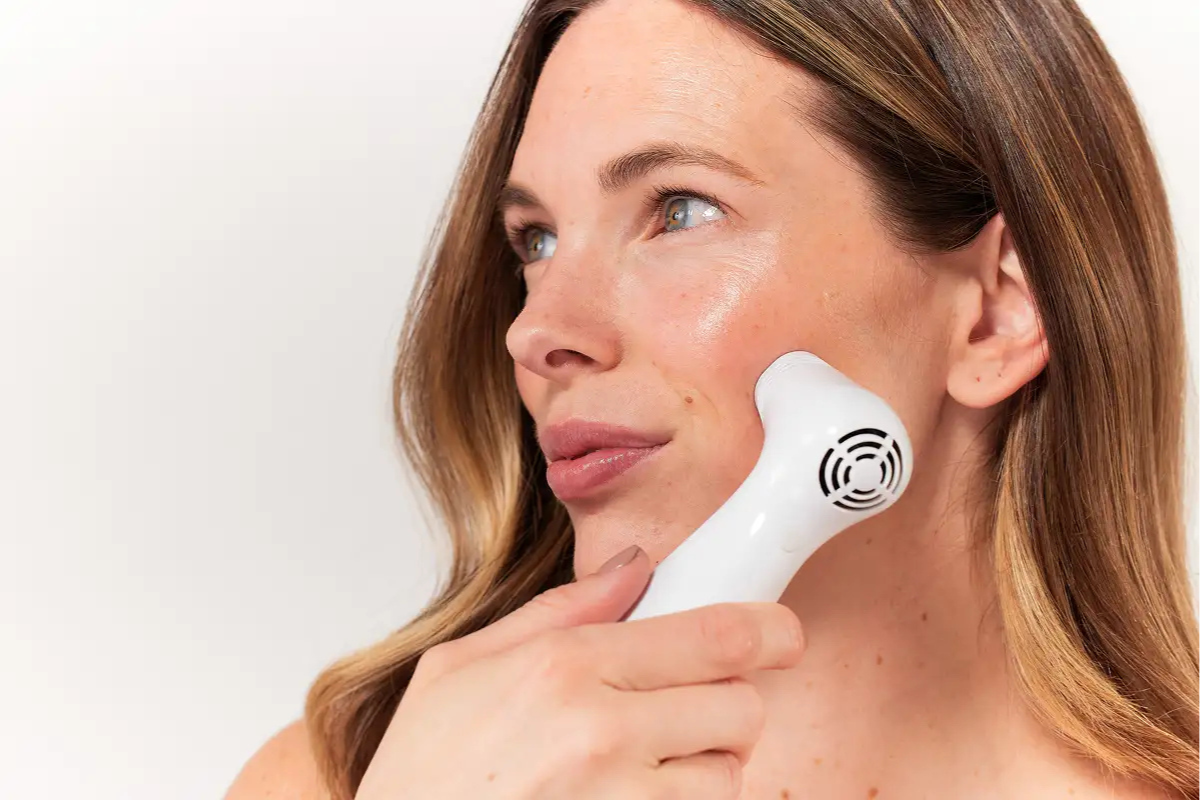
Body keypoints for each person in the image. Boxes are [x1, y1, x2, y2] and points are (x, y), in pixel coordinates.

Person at [225, 0, 1199, 797]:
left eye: (679, 210)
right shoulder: (350, 781)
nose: (536, 330)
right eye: (537, 241)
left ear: (995, 311)